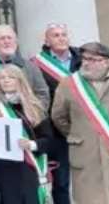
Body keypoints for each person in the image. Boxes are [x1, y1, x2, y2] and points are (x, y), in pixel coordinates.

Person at [51, 41, 109, 204]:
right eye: (85, 58)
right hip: (85, 159)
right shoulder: (68, 85)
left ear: (106, 62)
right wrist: (80, 134)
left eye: (93, 59)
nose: (86, 63)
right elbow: (59, 117)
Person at [0, 24, 49, 202]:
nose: (6, 41)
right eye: (1, 38)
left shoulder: (30, 67)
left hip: (28, 146)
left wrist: (31, 111)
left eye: (9, 38)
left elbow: (43, 93)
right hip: (0, 143)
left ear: (16, 41)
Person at [0, 65, 53, 204]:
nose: (6, 81)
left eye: (11, 77)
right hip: (5, 169)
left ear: (20, 80)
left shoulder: (34, 107)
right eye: (2, 78)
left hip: (29, 166)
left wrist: (31, 144)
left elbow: (49, 140)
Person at [30, 22, 81, 204]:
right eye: (56, 35)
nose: (61, 38)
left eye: (63, 34)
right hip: (56, 129)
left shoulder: (83, 60)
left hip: (85, 126)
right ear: (46, 40)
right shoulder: (36, 64)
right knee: (61, 181)